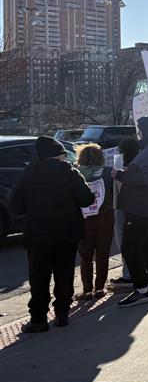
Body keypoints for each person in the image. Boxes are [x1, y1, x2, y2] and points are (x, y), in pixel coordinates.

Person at [11, 137, 94, 332]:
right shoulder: (70, 173)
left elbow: (15, 205)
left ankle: (38, 319)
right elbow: (86, 199)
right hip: (67, 232)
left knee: (38, 276)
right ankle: (62, 313)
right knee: (64, 273)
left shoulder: (28, 174)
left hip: (37, 233)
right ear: (57, 155)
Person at [115, 115, 148, 308]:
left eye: (141, 130)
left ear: (147, 131)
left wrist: (120, 175)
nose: (138, 134)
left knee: (130, 247)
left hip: (141, 208)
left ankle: (141, 290)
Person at [75, 143, 115, 300]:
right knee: (102, 254)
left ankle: (86, 290)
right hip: (105, 217)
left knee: (85, 256)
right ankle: (99, 289)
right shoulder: (107, 172)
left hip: (84, 219)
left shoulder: (77, 174)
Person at [109, 137, 140, 287]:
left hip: (121, 206)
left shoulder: (118, 163)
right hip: (138, 207)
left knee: (123, 242)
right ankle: (139, 272)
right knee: (138, 241)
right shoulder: (140, 161)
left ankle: (129, 275)